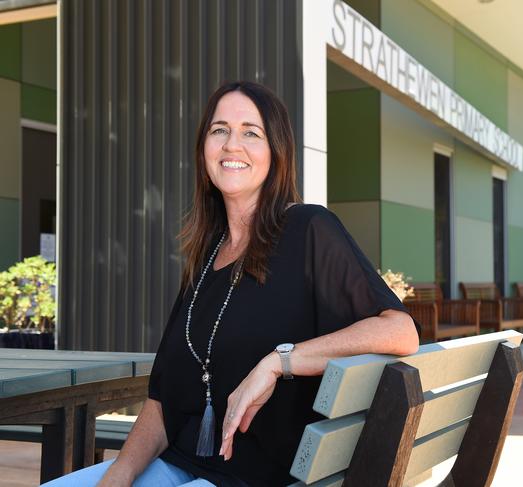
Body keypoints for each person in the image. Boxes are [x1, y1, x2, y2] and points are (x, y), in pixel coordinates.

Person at [42, 81, 419, 487]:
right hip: (180, 464)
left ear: (276, 152)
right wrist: (120, 473)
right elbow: (165, 400)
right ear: (204, 147)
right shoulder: (207, 256)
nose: (231, 145)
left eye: (251, 133)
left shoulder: (309, 228)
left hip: (256, 478)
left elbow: (400, 330)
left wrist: (279, 362)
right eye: (219, 129)